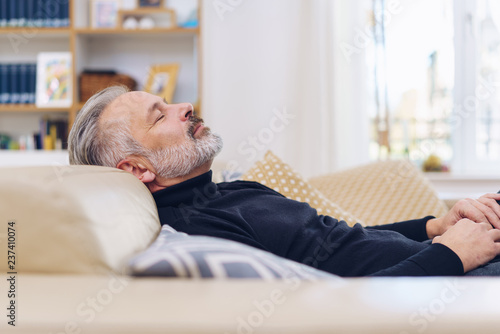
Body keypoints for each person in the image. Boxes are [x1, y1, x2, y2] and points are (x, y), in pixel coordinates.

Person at [68, 86, 500, 277]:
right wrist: (450, 256)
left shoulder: (227, 193)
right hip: (451, 283)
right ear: (136, 169)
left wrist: (434, 228)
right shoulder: (197, 229)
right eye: (160, 115)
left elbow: (344, 244)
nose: (185, 105)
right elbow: (339, 309)